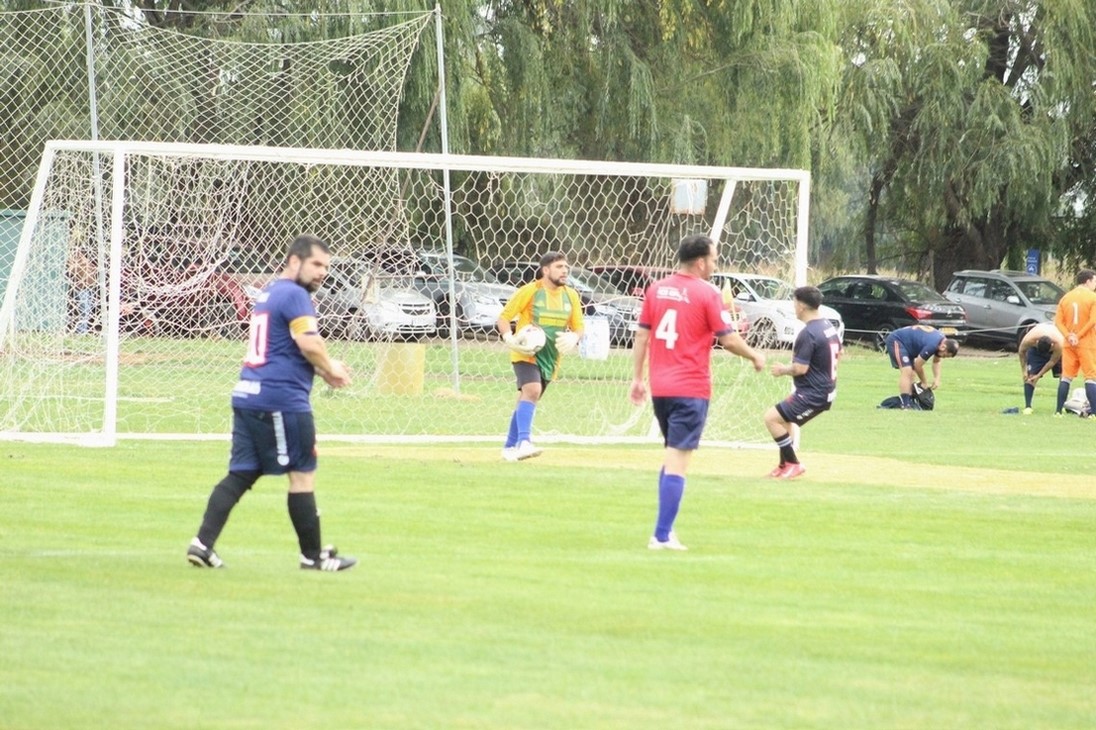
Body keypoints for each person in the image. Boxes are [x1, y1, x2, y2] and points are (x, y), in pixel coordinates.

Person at [186, 234, 356, 571]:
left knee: (242, 473)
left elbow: (282, 349)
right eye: (316, 264)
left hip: (248, 394)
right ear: (294, 261)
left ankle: (202, 544)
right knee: (302, 473)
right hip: (281, 399)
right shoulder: (294, 294)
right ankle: (312, 556)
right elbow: (308, 343)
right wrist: (330, 368)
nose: (323, 272)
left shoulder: (270, 292)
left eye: (326, 266)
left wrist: (320, 370)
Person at [630, 235, 766, 551]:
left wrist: (637, 378)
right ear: (701, 262)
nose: (715, 265)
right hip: (691, 388)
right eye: (714, 260)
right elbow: (728, 339)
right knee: (678, 461)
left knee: (672, 456)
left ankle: (665, 530)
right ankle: (662, 535)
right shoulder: (707, 293)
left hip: (661, 389)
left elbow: (641, 337)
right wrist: (755, 355)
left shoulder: (656, 289)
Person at [497, 251, 584, 461]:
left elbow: (579, 326)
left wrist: (575, 336)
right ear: (545, 270)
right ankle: (524, 442)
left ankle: (509, 447)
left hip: (551, 358)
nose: (565, 271)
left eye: (566, 267)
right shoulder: (530, 291)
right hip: (526, 353)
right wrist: (509, 338)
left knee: (528, 398)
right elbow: (504, 318)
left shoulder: (571, 295)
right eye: (559, 267)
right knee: (532, 390)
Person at [763, 286, 842, 479]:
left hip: (813, 393)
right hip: (824, 390)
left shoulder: (808, 333)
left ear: (801, 306)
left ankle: (793, 463)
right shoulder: (827, 326)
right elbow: (840, 352)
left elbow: (800, 368)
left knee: (771, 418)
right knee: (785, 420)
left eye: (794, 303)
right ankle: (784, 465)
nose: (794, 307)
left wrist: (782, 370)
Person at [883, 325, 959, 408]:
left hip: (908, 345)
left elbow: (936, 361)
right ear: (943, 347)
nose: (943, 357)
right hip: (897, 340)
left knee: (912, 374)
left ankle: (910, 400)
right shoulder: (932, 345)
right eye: (944, 355)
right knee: (907, 371)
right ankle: (905, 404)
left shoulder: (942, 343)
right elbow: (918, 365)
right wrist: (924, 382)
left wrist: (937, 379)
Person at [1053, 269, 1096, 417]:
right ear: (1088, 281)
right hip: (1087, 343)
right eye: (1094, 281)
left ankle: (1058, 411)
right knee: (1090, 377)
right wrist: (1079, 335)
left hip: (1069, 343)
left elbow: (1058, 322)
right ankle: (1094, 413)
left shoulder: (1066, 298)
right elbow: (1093, 320)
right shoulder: (1092, 297)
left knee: (1066, 377)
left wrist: (1068, 336)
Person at [1016, 321, 1063, 414]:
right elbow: (1021, 352)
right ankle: (1028, 406)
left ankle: (1061, 407)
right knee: (1030, 377)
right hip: (1035, 351)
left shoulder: (1059, 343)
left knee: (1063, 376)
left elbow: (1052, 361)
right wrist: (1024, 370)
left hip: (1056, 352)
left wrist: (1039, 375)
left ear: (1052, 345)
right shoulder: (1029, 339)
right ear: (1036, 342)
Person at [67, 246, 97, 334]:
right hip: (81, 289)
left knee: (87, 310)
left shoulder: (87, 261)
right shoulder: (74, 262)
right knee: (83, 310)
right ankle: (81, 330)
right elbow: (72, 271)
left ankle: (84, 329)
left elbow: (93, 271)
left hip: (89, 288)